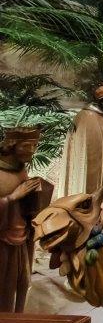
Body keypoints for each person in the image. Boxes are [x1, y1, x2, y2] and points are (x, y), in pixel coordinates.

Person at [0, 127, 52, 312]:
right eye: (27, 146)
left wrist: (35, 198)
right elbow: (12, 196)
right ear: (12, 146)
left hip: (21, 236)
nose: (32, 151)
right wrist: (13, 197)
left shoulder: (20, 169)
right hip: (3, 242)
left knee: (19, 284)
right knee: (3, 289)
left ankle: (16, 322)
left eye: (35, 146)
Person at [56, 82, 103, 222]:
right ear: (101, 99)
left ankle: (100, 217)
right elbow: (85, 149)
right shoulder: (86, 117)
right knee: (88, 191)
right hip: (88, 170)